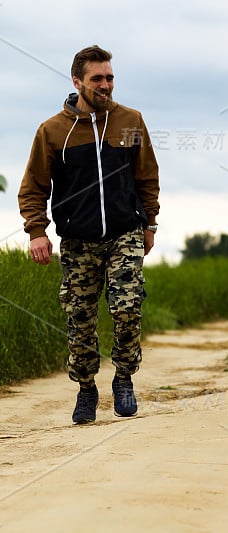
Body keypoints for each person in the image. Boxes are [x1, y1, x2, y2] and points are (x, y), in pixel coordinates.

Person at [18, 45, 160, 424]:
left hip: (124, 233)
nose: (105, 85)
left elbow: (147, 177)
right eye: (97, 78)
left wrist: (150, 224)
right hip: (78, 241)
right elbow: (33, 187)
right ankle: (85, 388)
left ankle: (125, 379)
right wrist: (37, 231)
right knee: (80, 317)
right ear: (77, 81)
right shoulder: (52, 131)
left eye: (110, 77)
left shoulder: (130, 121)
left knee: (128, 307)